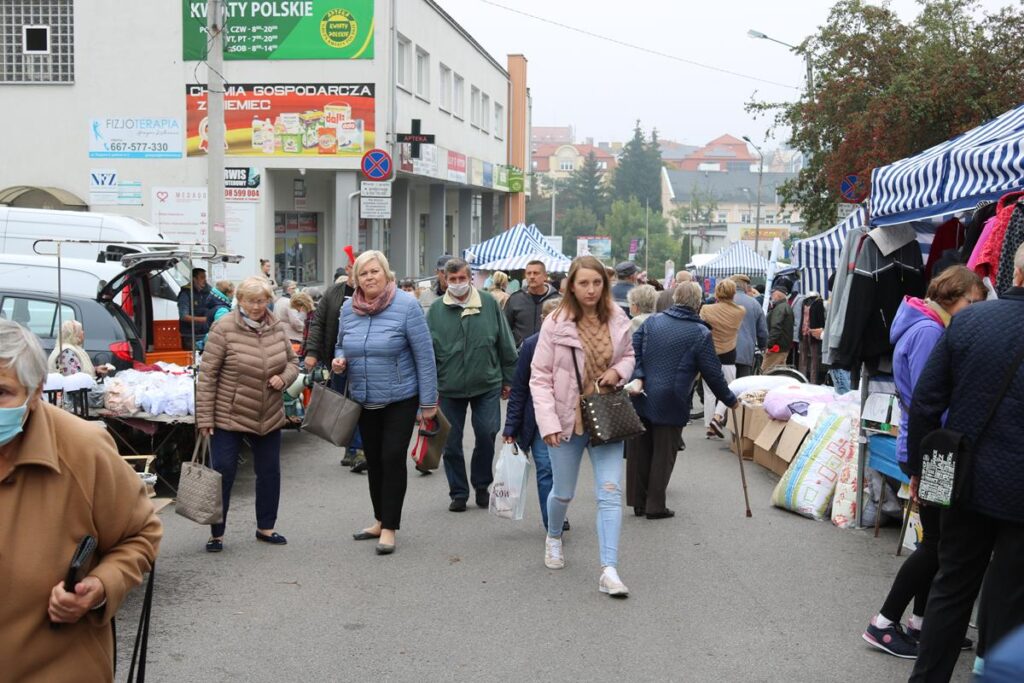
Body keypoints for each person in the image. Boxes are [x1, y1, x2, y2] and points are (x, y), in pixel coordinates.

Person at [0, 319, 162, 681]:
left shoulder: (83, 451)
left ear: (35, 391)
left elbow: (141, 535)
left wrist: (101, 586)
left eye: (1, 392)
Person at [902, 248, 1024, 682]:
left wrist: (921, 473)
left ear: (1016, 272)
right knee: (1011, 596)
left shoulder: (970, 320)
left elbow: (926, 404)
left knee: (951, 587)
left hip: (963, 480)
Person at [862, 266, 985, 660]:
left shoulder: (923, 324)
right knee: (936, 544)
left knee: (936, 541)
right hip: (933, 448)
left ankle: (920, 623)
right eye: (971, 302)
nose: (974, 311)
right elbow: (928, 400)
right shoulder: (930, 331)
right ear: (954, 296)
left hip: (927, 445)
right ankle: (883, 623)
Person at [531, 255, 635, 597]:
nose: (591, 290)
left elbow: (629, 356)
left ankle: (609, 570)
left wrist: (618, 371)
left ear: (604, 284)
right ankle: (554, 535)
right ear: (571, 287)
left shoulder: (617, 317)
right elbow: (539, 376)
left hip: (606, 414)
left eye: (597, 283)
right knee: (563, 491)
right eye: (584, 283)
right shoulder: (555, 323)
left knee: (610, 491)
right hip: (565, 419)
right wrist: (547, 421)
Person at [332, 251, 438, 555]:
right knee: (374, 460)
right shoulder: (348, 308)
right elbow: (340, 343)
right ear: (356, 279)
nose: (369, 278)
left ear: (386, 274)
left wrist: (428, 402)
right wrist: (340, 359)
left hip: (400, 397)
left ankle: (390, 527)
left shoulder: (407, 306)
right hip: (364, 398)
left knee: (392, 458)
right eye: (363, 273)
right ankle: (379, 520)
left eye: (374, 271)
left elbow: (425, 356)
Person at [197, 277, 299, 552]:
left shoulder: (276, 326)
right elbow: (207, 375)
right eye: (250, 301)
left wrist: (284, 378)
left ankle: (266, 527)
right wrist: (205, 418)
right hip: (229, 413)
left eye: (261, 301)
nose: (256, 307)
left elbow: (293, 362)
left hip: (268, 413)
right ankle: (216, 533)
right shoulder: (223, 328)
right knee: (223, 471)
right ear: (239, 300)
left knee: (269, 472)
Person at [627, 282, 737, 518]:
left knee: (641, 449)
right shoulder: (699, 333)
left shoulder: (652, 322)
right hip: (672, 397)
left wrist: (639, 376)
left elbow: (633, 349)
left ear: (675, 298)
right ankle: (655, 506)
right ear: (698, 304)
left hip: (643, 392)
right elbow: (713, 373)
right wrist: (730, 399)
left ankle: (638, 501)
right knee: (664, 453)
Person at [428, 258, 518, 511]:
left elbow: (505, 342)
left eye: (462, 278)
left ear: (470, 278)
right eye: (452, 279)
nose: (457, 283)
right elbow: (426, 353)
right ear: (445, 279)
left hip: (487, 382)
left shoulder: (488, 303)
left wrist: (509, 379)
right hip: (449, 386)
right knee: (450, 442)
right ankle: (458, 492)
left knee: (487, 433)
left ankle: (481, 485)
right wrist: (427, 388)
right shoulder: (435, 311)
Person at [502, 297, 567, 531]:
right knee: (545, 468)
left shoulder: (575, 342)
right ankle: (552, 522)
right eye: (551, 319)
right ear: (542, 320)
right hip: (539, 419)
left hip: (568, 418)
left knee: (563, 471)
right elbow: (519, 388)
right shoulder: (531, 345)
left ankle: (558, 509)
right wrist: (511, 427)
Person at [304, 267, 365, 471]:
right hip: (337, 359)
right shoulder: (333, 292)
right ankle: (352, 448)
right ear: (348, 269)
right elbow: (318, 323)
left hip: (364, 359)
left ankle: (358, 449)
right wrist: (312, 352)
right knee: (344, 405)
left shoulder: (371, 292)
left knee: (360, 403)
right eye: (355, 268)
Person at [700, 279, 746, 438]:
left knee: (709, 392)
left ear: (717, 293)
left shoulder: (706, 309)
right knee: (729, 388)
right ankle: (717, 417)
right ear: (733, 293)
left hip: (709, 353)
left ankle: (709, 425)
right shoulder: (740, 311)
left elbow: (702, 329)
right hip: (729, 354)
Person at [504, 259, 559, 347]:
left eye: (536, 273)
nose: (532, 276)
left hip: (548, 350)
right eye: (528, 273)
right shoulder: (515, 299)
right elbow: (505, 328)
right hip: (520, 351)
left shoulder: (557, 300)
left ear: (545, 276)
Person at [731, 274, 768, 378]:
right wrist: (763, 346)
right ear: (745, 286)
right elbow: (762, 331)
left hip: (724, 351)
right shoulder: (754, 303)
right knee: (743, 383)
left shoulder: (724, 301)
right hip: (746, 352)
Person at [178, 267, 211, 350]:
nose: (205, 280)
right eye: (202, 278)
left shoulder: (209, 291)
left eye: (205, 277)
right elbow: (183, 316)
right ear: (194, 279)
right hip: (190, 336)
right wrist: (204, 319)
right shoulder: (186, 294)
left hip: (206, 333)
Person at [762, 285, 794, 373]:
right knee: (779, 374)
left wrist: (769, 345)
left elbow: (776, 328)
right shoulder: (784, 306)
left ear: (777, 295)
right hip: (782, 347)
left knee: (766, 373)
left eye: (772, 294)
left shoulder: (780, 308)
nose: (771, 296)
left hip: (776, 348)